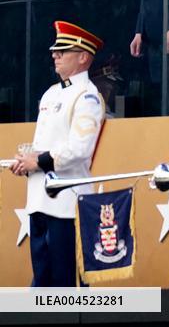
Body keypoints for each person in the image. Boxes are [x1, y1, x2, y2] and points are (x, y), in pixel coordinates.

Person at [9, 21, 105, 287]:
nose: (55, 55)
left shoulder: (88, 96)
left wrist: (36, 161)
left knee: (67, 284)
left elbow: (79, 149)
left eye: (63, 50)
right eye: (55, 50)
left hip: (66, 203)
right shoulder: (51, 93)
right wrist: (26, 163)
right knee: (43, 280)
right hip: (39, 199)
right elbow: (43, 144)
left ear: (83, 57)